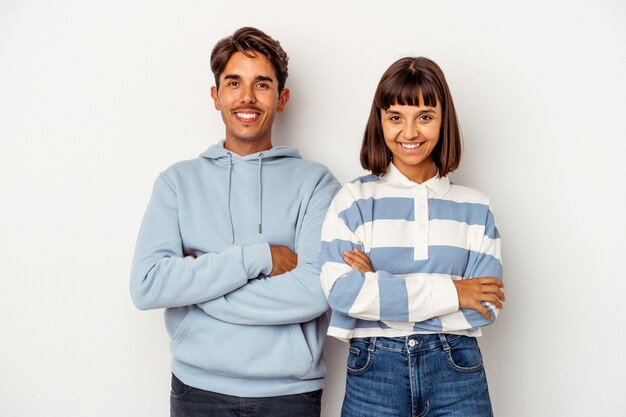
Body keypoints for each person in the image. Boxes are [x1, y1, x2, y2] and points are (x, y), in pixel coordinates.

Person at [130, 27, 339, 417]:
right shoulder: (177, 182)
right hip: (198, 389)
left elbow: (315, 291)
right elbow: (147, 285)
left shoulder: (316, 183)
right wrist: (256, 259)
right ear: (216, 96)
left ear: (282, 99)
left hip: (290, 394)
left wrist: (200, 288)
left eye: (262, 84)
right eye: (233, 83)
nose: (247, 97)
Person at [320, 57, 505, 417]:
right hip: (375, 373)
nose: (409, 132)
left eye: (424, 116)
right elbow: (342, 292)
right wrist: (454, 291)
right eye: (395, 117)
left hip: (457, 371)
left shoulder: (476, 207)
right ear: (380, 122)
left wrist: (376, 286)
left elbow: (485, 307)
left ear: (443, 120)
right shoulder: (354, 200)